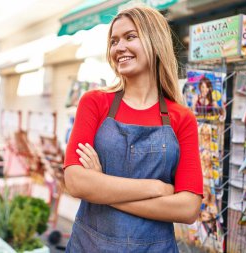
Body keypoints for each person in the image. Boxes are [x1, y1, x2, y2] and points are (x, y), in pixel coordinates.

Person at [63, 5, 203, 252]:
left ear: (155, 41)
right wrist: (156, 189)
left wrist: (102, 188)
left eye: (130, 37)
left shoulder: (182, 117)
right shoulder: (95, 102)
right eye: (114, 41)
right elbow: (76, 182)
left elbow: (188, 208)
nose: (119, 48)